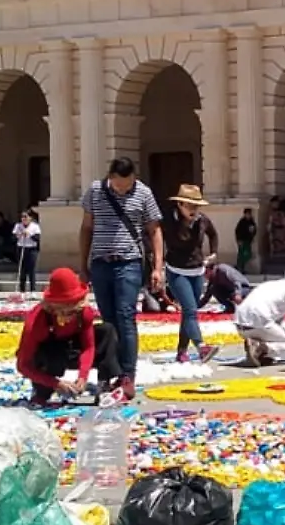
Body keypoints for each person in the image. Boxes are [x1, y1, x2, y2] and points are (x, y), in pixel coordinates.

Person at [79, 157, 164, 400]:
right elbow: (86, 228)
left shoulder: (144, 193)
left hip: (129, 263)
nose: (123, 190)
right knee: (108, 321)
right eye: (119, 186)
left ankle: (127, 375)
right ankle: (108, 372)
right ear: (110, 177)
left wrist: (158, 267)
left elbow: (155, 230)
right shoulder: (95, 191)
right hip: (100, 263)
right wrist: (83, 265)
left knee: (126, 316)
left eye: (127, 186)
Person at [14, 268, 117, 405]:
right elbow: (23, 365)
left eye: (73, 311)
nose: (69, 318)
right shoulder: (36, 322)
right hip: (50, 355)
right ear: (52, 306)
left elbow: (89, 347)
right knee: (50, 352)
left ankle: (104, 385)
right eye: (64, 312)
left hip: (72, 348)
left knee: (107, 331)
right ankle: (42, 392)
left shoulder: (84, 312)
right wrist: (54, 383)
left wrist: (83, 376)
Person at [160, 184, 219, 363]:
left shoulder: (202, 220)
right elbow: (153, 236)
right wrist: (156, 262)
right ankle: (201, 347)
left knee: (188, 313)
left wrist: (213, 253)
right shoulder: (169, 221)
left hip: (197, 270)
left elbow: (213, 234)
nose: (194, 210)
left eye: (196, 206)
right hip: (177, 271)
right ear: (180, 205)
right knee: (190, 310)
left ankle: (182, 352)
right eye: (190, 206)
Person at [11, 209, 42, 294]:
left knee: (31, 270)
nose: (23, 218)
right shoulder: (18, 226)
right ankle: (22, 290)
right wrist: (19, 235)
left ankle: (33, 290)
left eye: (25, 217)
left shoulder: (35, 226)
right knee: (22, 270)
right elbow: (13, 238)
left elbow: (37, 239)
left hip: (31, 249)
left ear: (30, 218)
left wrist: (29, 234)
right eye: (22, 217)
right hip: (21, 248)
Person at [234, 208, 257, 273]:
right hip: (242, 240)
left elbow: (254, 230)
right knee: (241, 254)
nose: (248, 215)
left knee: (247, 255)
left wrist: (252, 234)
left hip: (248, 241)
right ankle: (239, 267)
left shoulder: (251, 222)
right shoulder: (242, 222)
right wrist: (238, 240)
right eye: (247, 214)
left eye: (249, 214)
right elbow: (237, 231)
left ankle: (241, 267)